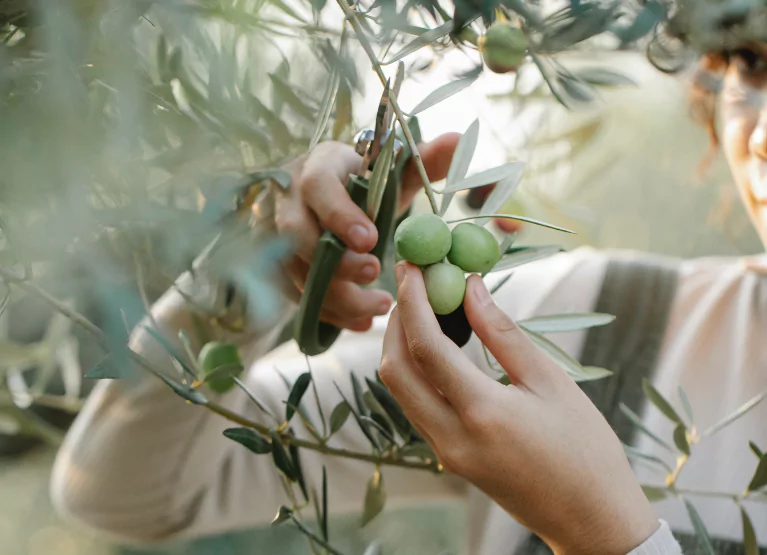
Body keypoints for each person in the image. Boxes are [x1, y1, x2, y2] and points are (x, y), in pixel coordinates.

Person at [49, 9, 767, 555]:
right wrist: (251, 275)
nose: (760, 131)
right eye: (752, 63)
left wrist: (606, 536)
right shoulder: (575, 322)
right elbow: (120, 492)